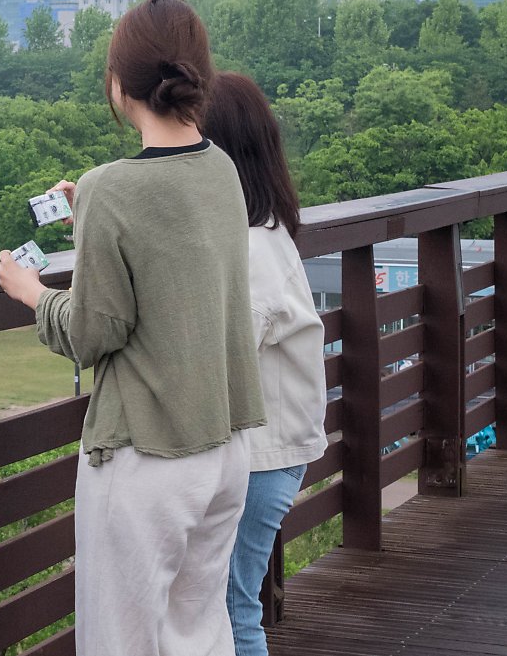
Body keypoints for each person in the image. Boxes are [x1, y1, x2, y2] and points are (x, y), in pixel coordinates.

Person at [0, 0, 266, 656]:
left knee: (119, 643)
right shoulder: (221, 170)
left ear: (118, 85)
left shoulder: (112, 188)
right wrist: (88, 208)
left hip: (148, 457)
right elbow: (169, 234)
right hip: (223, 448)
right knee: (200, 637)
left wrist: (33, 294)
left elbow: (93, 330)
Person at [201, 72, 328, 656]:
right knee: (231, 604)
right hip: (267, 453)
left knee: (231, 608)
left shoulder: (250, 249)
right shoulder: (261, 230)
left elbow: (217, 355)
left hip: (260, 461)